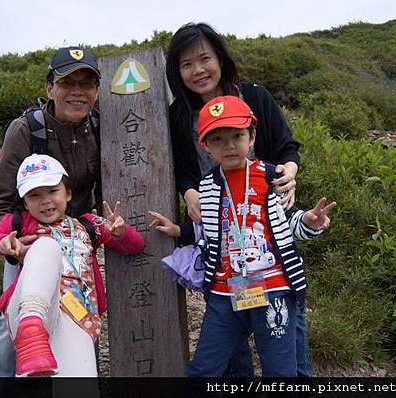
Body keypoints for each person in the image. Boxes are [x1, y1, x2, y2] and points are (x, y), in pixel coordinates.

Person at [149, 95, 336, 376]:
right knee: (203, 370)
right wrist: (179, 231)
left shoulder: (272, 176)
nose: (229, 146)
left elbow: (289, 223)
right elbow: (211, 231)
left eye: (237, 135)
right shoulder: (208, 185)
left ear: (252, 136)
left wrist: (310, 221)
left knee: (280, 372)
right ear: (206, 146)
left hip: (273, 289)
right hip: (225, 291)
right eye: (218, 140)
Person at [165, 22, 306, 376]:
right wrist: (191, 191)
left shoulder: (254, 97)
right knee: (228, 339)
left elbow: (286, 146)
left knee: (288, 339)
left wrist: (289, 171)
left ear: (220, 59)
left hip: (268, 233)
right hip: (222, 236)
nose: (198, 70)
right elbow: (183, 169)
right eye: (186, 64)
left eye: (204, 59)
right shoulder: (179, 115)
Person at [0, 154, 144, 376]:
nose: (45, 200)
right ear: (25, 202)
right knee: (46, 248)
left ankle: (36, 350)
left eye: (53, 191)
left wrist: (120, 232)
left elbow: (135, 245)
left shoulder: (88, 225)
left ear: (68, 193)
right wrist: (1, 243)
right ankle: (31, 331)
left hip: (78, 316)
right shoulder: (21, 223)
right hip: (29, 310)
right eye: (34, 195)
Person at [0, 46, 103, 376]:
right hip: (29, 239)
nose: (78, 92)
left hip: (75, 240)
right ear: (49, 87)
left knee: (81, 314)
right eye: (68, 82)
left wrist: (97, 229)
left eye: (88, 83)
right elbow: (1, 203)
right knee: (15, 314)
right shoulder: (25, 131)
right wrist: (15, 244)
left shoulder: (98, 128)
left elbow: (106, 192)